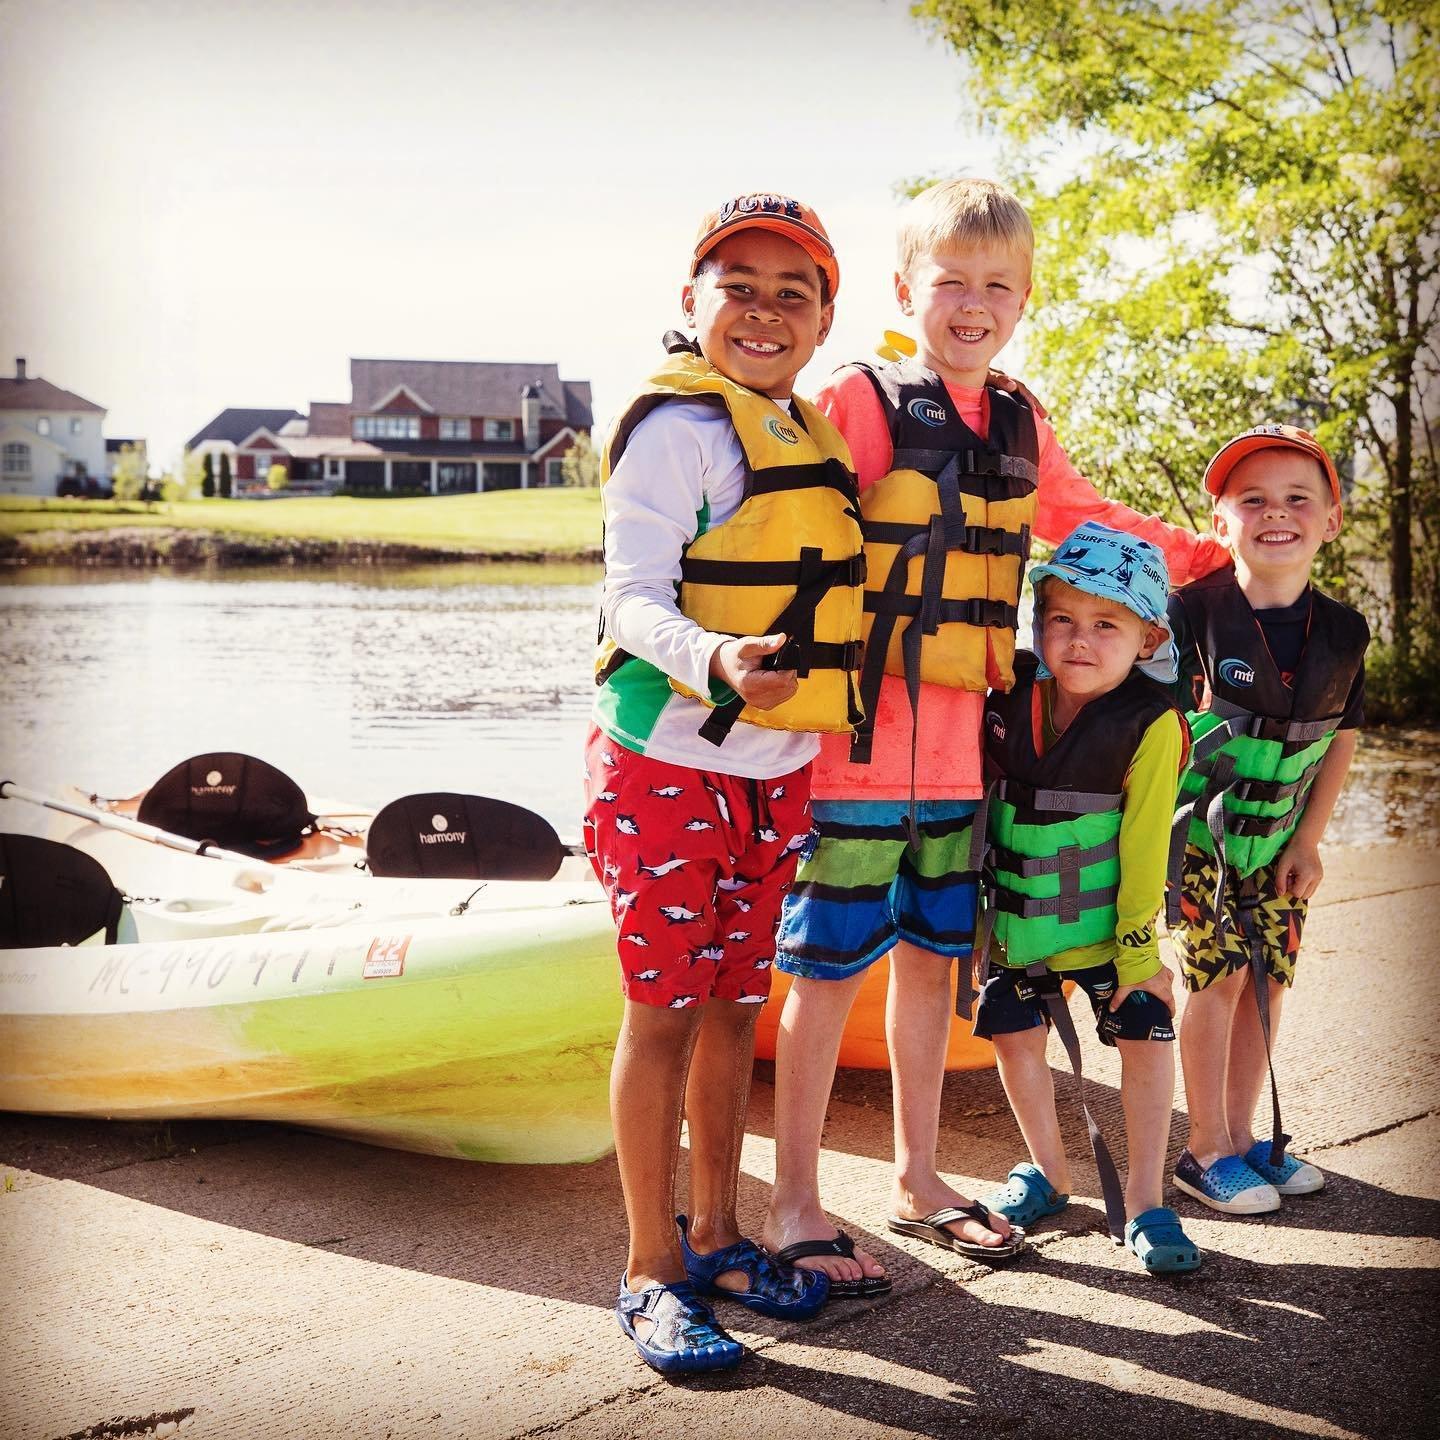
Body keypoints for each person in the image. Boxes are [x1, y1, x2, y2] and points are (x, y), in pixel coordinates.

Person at [761, 177, 1231, 1292]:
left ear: (1023, 300)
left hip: (964, 757)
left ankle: (919, 1175)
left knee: (932, 967)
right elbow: (785, 525)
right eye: (952, 283)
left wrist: (1206, 554)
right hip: (855, 750)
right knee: (824, 974)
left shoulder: (1021, 417)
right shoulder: (861, 402)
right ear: (905, 291)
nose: (974, 304)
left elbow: (1085, 516)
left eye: (997, 287)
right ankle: (791, 1199)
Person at [584, 192, 867, 1374]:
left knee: (736, 1010)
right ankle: (651, 1271)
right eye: (735, 285)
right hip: (667, 763)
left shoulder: (809, 430)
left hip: (774, 771)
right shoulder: (677, 429)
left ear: (824, 318)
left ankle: (720, 1236)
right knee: (662, 1016)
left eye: (791, 292)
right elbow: (629, 594)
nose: (761, 310)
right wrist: (712, 659)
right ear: (690, 302)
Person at [965, 522, 1201, 1273]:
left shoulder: (1153, 724)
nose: (1079, 640)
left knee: (1144, 1038)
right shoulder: (1009, 692)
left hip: (1111, 936)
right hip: (1017, 928)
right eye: (1062, 618)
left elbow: (1141, 848)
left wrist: (1142, 957)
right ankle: (1048, 1174)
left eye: (1107, 625)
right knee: (1014, 1038)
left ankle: (1146, 1200)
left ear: (1146, 637)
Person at [1168, 425, 1367, 1214]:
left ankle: (1247, 1137)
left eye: (1297, 499)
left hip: (1283, 843)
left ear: (1330, 519)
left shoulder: (1345, 632)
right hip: (1200, 844)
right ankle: (1204, 1147)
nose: (1275, 514)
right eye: (1252, 500)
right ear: (1221, 522)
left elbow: (1342, 738)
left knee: (1268, 981)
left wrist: (1310, 841)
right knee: (1212, 982)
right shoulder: (1190, 615)